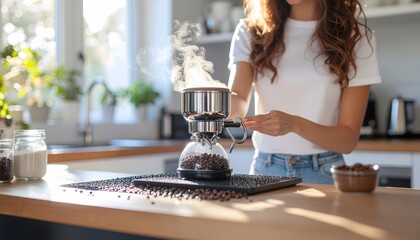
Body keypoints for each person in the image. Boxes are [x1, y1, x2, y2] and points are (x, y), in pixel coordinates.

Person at [227, 0, 381, 184]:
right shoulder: (251, 30)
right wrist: (209, 100)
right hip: (265, 170)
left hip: (324, 173)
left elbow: (347, 141)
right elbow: (236, 104)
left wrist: (294, 124)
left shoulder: (356, 37)